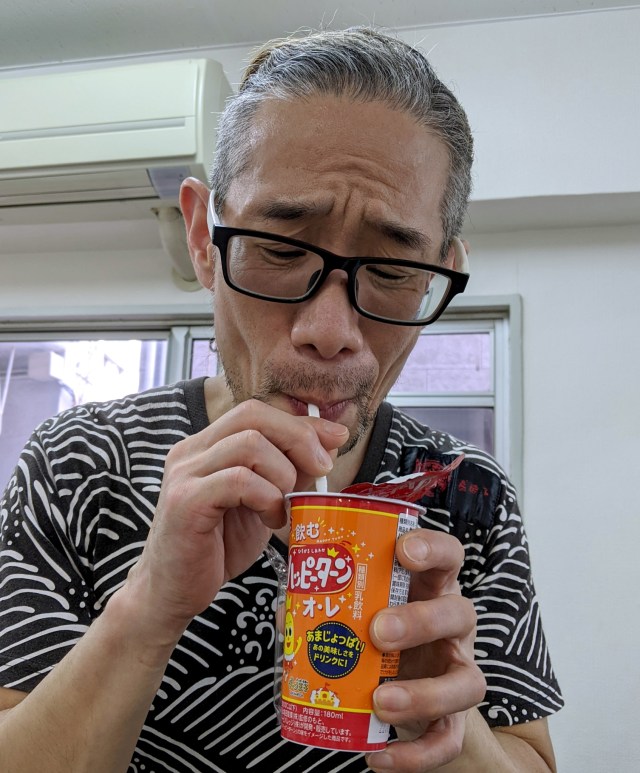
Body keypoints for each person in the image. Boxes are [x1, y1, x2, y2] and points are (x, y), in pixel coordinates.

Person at [0, 26, 563, 773]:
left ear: (442, 268)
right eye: (279, 249)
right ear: (202, 236)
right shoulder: (78, 463)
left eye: (394, 270)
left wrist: (448, 723)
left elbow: (532, 759)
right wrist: (147, 608)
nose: (329, 333)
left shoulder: (467, 492)